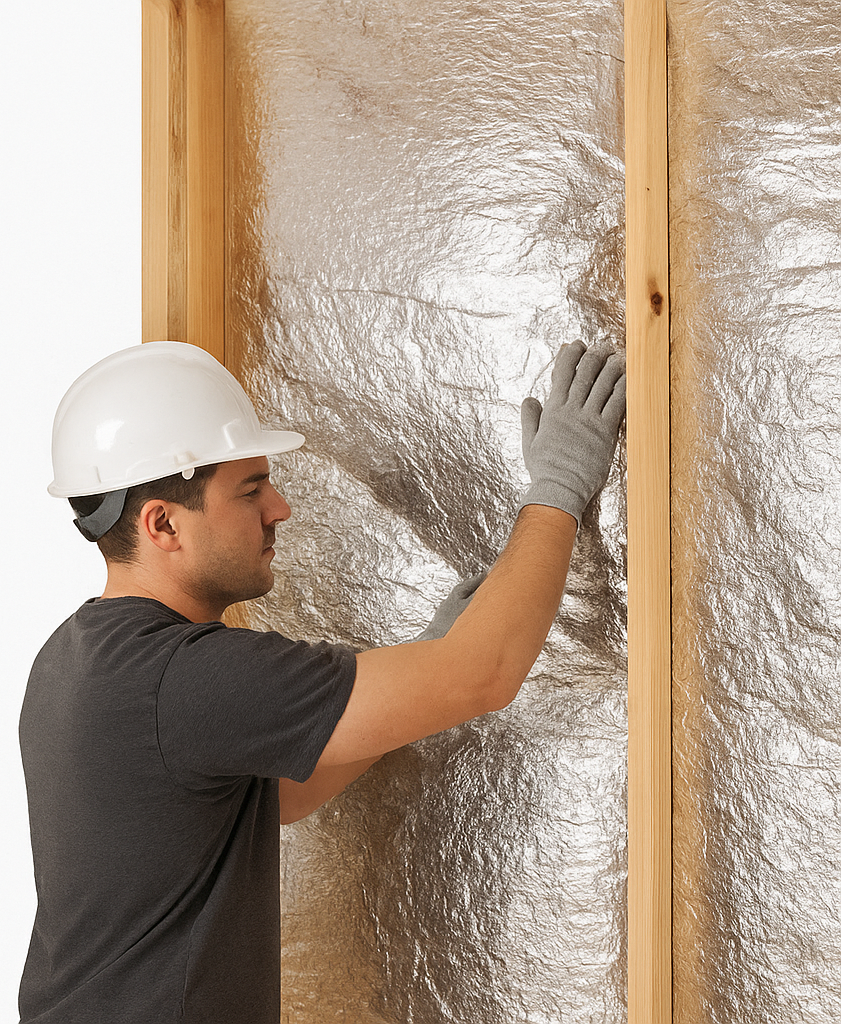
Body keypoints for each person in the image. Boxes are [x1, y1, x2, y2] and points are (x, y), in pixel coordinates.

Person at [18, 338, 625, 1024]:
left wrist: (428, 652)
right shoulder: (183, 676)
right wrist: (560, 484)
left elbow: (276, 795)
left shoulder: (77, 657)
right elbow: (482, 676)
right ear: (162, 523)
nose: (278, 508)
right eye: (250, 491)